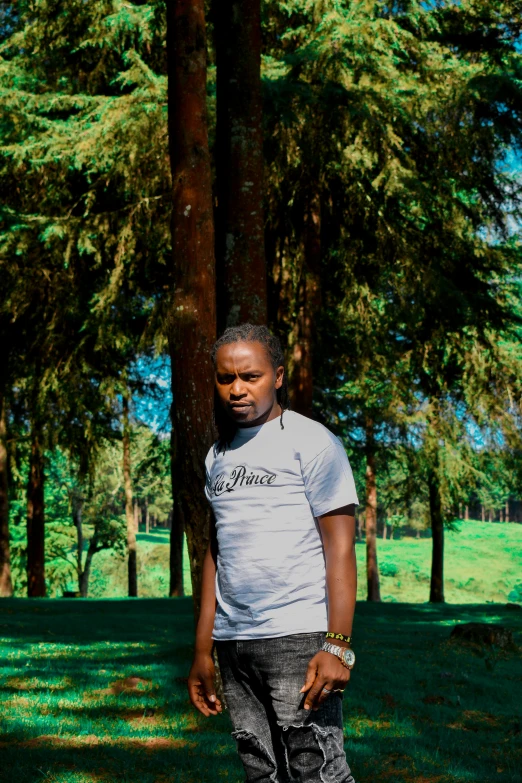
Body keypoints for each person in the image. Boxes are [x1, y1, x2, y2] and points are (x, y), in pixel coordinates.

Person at [188, 323, 359, 783]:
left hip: (298, 638)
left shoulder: (312, 442)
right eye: (226, 379)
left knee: (316, 770)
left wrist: (338, 645)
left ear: (278, 376)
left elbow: (340, 548)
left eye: (251, 376)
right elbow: (216, 552)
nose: (237, 389)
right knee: (260, 770)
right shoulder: (217, 455)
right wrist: (204, 648)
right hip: (234, 643)